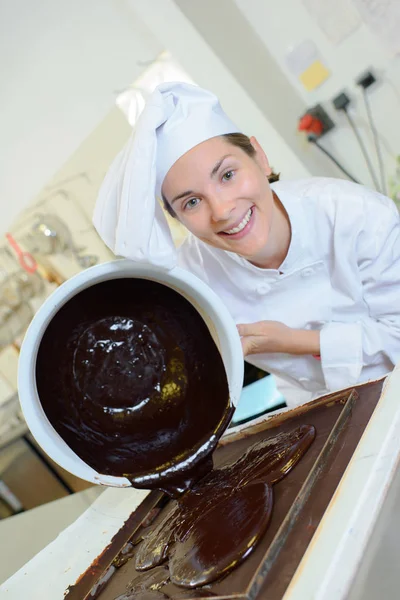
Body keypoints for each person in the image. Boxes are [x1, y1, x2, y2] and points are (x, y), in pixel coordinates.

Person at [93, 82, 400, 406]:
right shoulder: (189, 280)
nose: (222, 211)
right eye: (193, 202)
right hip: (320, 410)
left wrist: (292, 341)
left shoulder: (356, 215)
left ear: (260, 158)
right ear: (176, 219)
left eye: (227, 175)